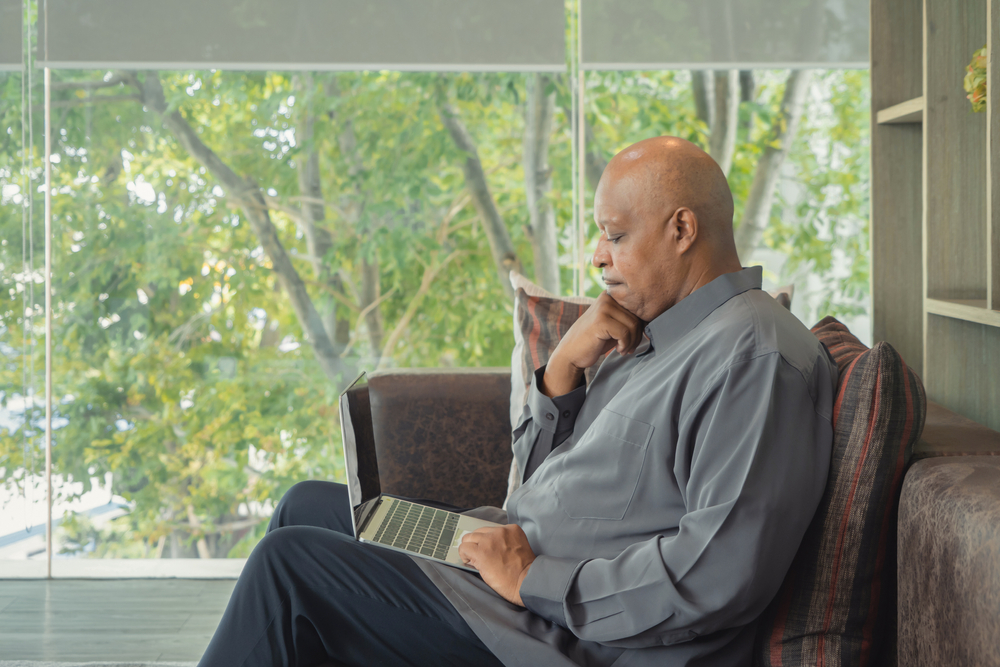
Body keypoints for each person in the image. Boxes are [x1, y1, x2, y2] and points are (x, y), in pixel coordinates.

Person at [197, 136, 837, 667]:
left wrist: (532, 580)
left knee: (287, 569)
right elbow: (554, 484)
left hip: (552, 633)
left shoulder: (755, 358)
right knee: (303, 505)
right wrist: (560, 373)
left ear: (682, 229)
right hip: (509, 567)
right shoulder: (661, 332)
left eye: (614, 236)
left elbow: (717, 576)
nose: (597, 258)